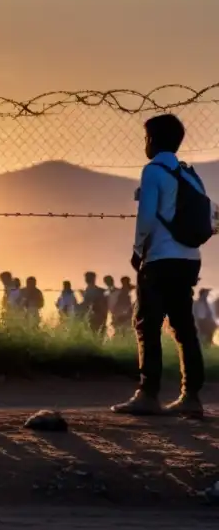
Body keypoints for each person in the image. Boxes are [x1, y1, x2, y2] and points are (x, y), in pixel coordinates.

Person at [113, 114, 206, 418]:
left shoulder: (153, 171)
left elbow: (147, 218)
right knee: (184, 327)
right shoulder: (190, 174)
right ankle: (191, 396)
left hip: (160, 258)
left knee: (147, 324)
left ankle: (148, 394)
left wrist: (137, 250)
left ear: (152, 140)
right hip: (189, 258)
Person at [80, 272, 108, 336]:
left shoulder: (99, 291)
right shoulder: (100, 290)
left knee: (95, 336)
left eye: (88, 277)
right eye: (86, 277)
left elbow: (88, 303)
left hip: (96, 317)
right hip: (96, 317)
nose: (86, 279)